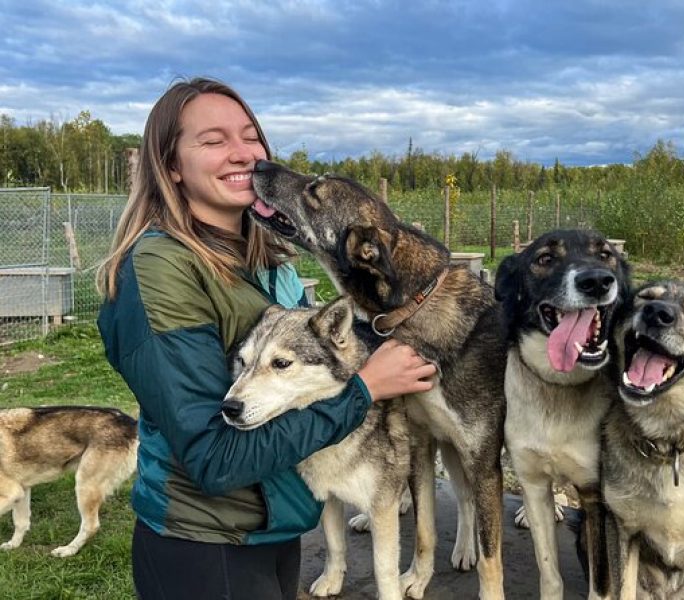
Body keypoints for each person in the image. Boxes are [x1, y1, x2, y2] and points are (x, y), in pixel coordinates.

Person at [96, 77, 436, 600]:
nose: (242, 154)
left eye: (250, 136)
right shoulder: (159, 270)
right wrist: (364, 390)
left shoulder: (262, 260)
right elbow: (214, 458)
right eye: (212, 141)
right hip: (204, 544)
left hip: (272, 528)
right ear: (170, 167)